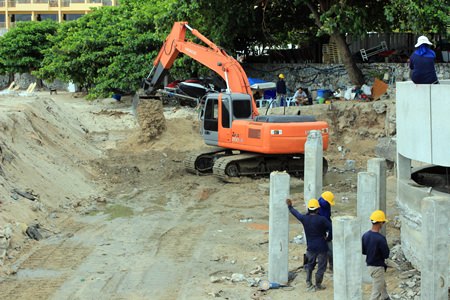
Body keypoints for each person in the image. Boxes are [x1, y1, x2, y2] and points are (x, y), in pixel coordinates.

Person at [286, 198, 332, 291]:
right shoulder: (322, 219)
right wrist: (329, 238)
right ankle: (318, 285)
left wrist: (290, 207)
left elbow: (296, 214)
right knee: (321, 267)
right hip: (322, 247)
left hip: (310, 247)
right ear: (318, 209)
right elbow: (331, 229)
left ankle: (308, 282)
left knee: (309, 265)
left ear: (308, 209)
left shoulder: (304, 219)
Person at [362, 210, 391, 300]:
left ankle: (386, 298)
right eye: (383, 222)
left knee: (382, 285)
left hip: (370, 266)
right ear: (380, 223)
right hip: (377, 267)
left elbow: (364, 251)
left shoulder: (365, 235)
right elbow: (386, 254)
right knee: (376, 293)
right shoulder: (380, 238)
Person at [318, 191, 334, 271]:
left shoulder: (325, 204)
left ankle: (308, 266)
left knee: (312, 250)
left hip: (323, 228)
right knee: (328, 250)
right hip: (321, 229)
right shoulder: (321, 206)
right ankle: (331, 266)